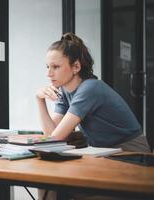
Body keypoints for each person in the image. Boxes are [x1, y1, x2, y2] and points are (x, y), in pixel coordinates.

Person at [36, 32, 150, 200]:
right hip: (104, 153)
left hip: (130, 154)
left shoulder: (90, 88)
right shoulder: (65, 91)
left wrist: (52, 138)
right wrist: (39, 100)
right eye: (47, 67)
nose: (49, 73)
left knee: (65, 188)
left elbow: (55, 139)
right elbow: (50, 137)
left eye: (56, 67)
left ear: (76, 67)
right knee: (50, 183)